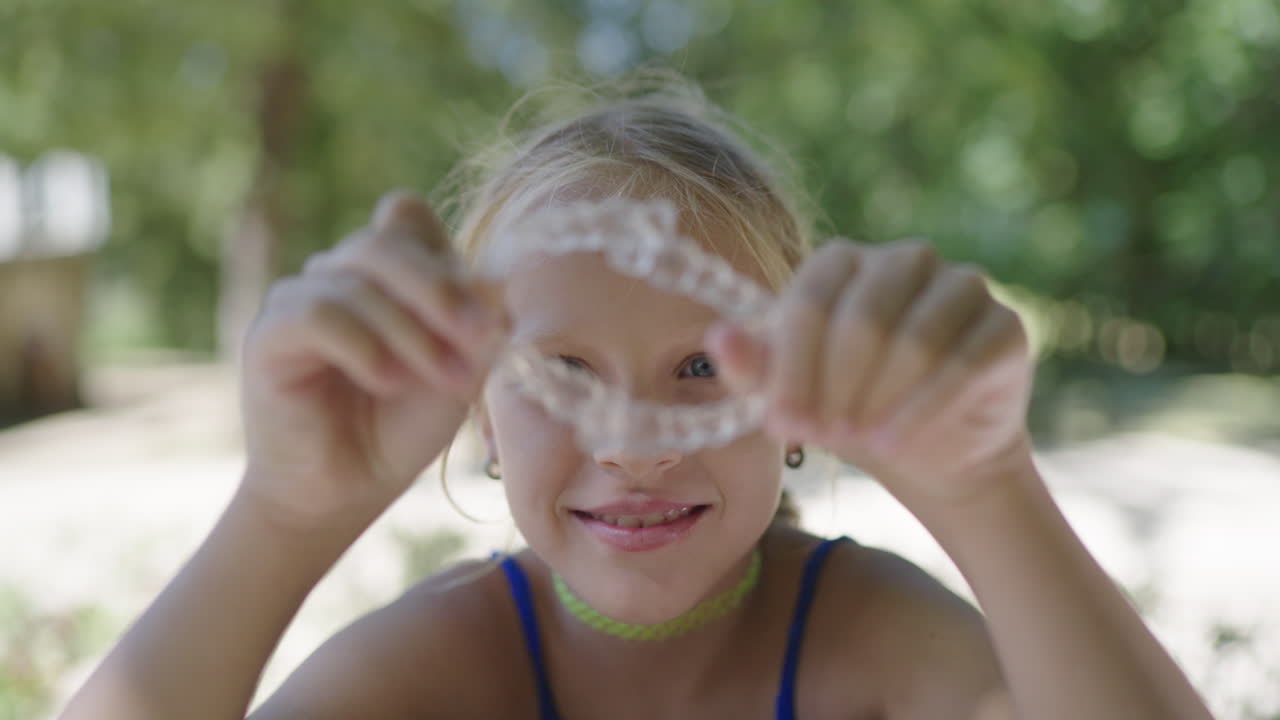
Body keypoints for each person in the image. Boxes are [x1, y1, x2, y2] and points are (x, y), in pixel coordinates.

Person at [61, 77, 1214, 720]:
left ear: (798, 403)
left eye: (702, 369)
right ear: (477, 409)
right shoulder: (432, 675)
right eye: (561, 372)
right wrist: (283, 513)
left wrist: (985, 490)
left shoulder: (877, 644)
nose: (633, 445)